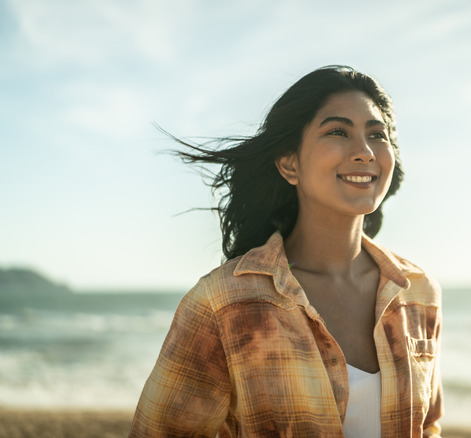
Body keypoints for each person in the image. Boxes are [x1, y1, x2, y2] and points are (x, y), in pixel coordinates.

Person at [129, 65, 443, 437]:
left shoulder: (417, 292)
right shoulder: (224, 302)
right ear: (289, 163)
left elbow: (428, 426)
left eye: (377, 135)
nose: (364, 152)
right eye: (338, 131)